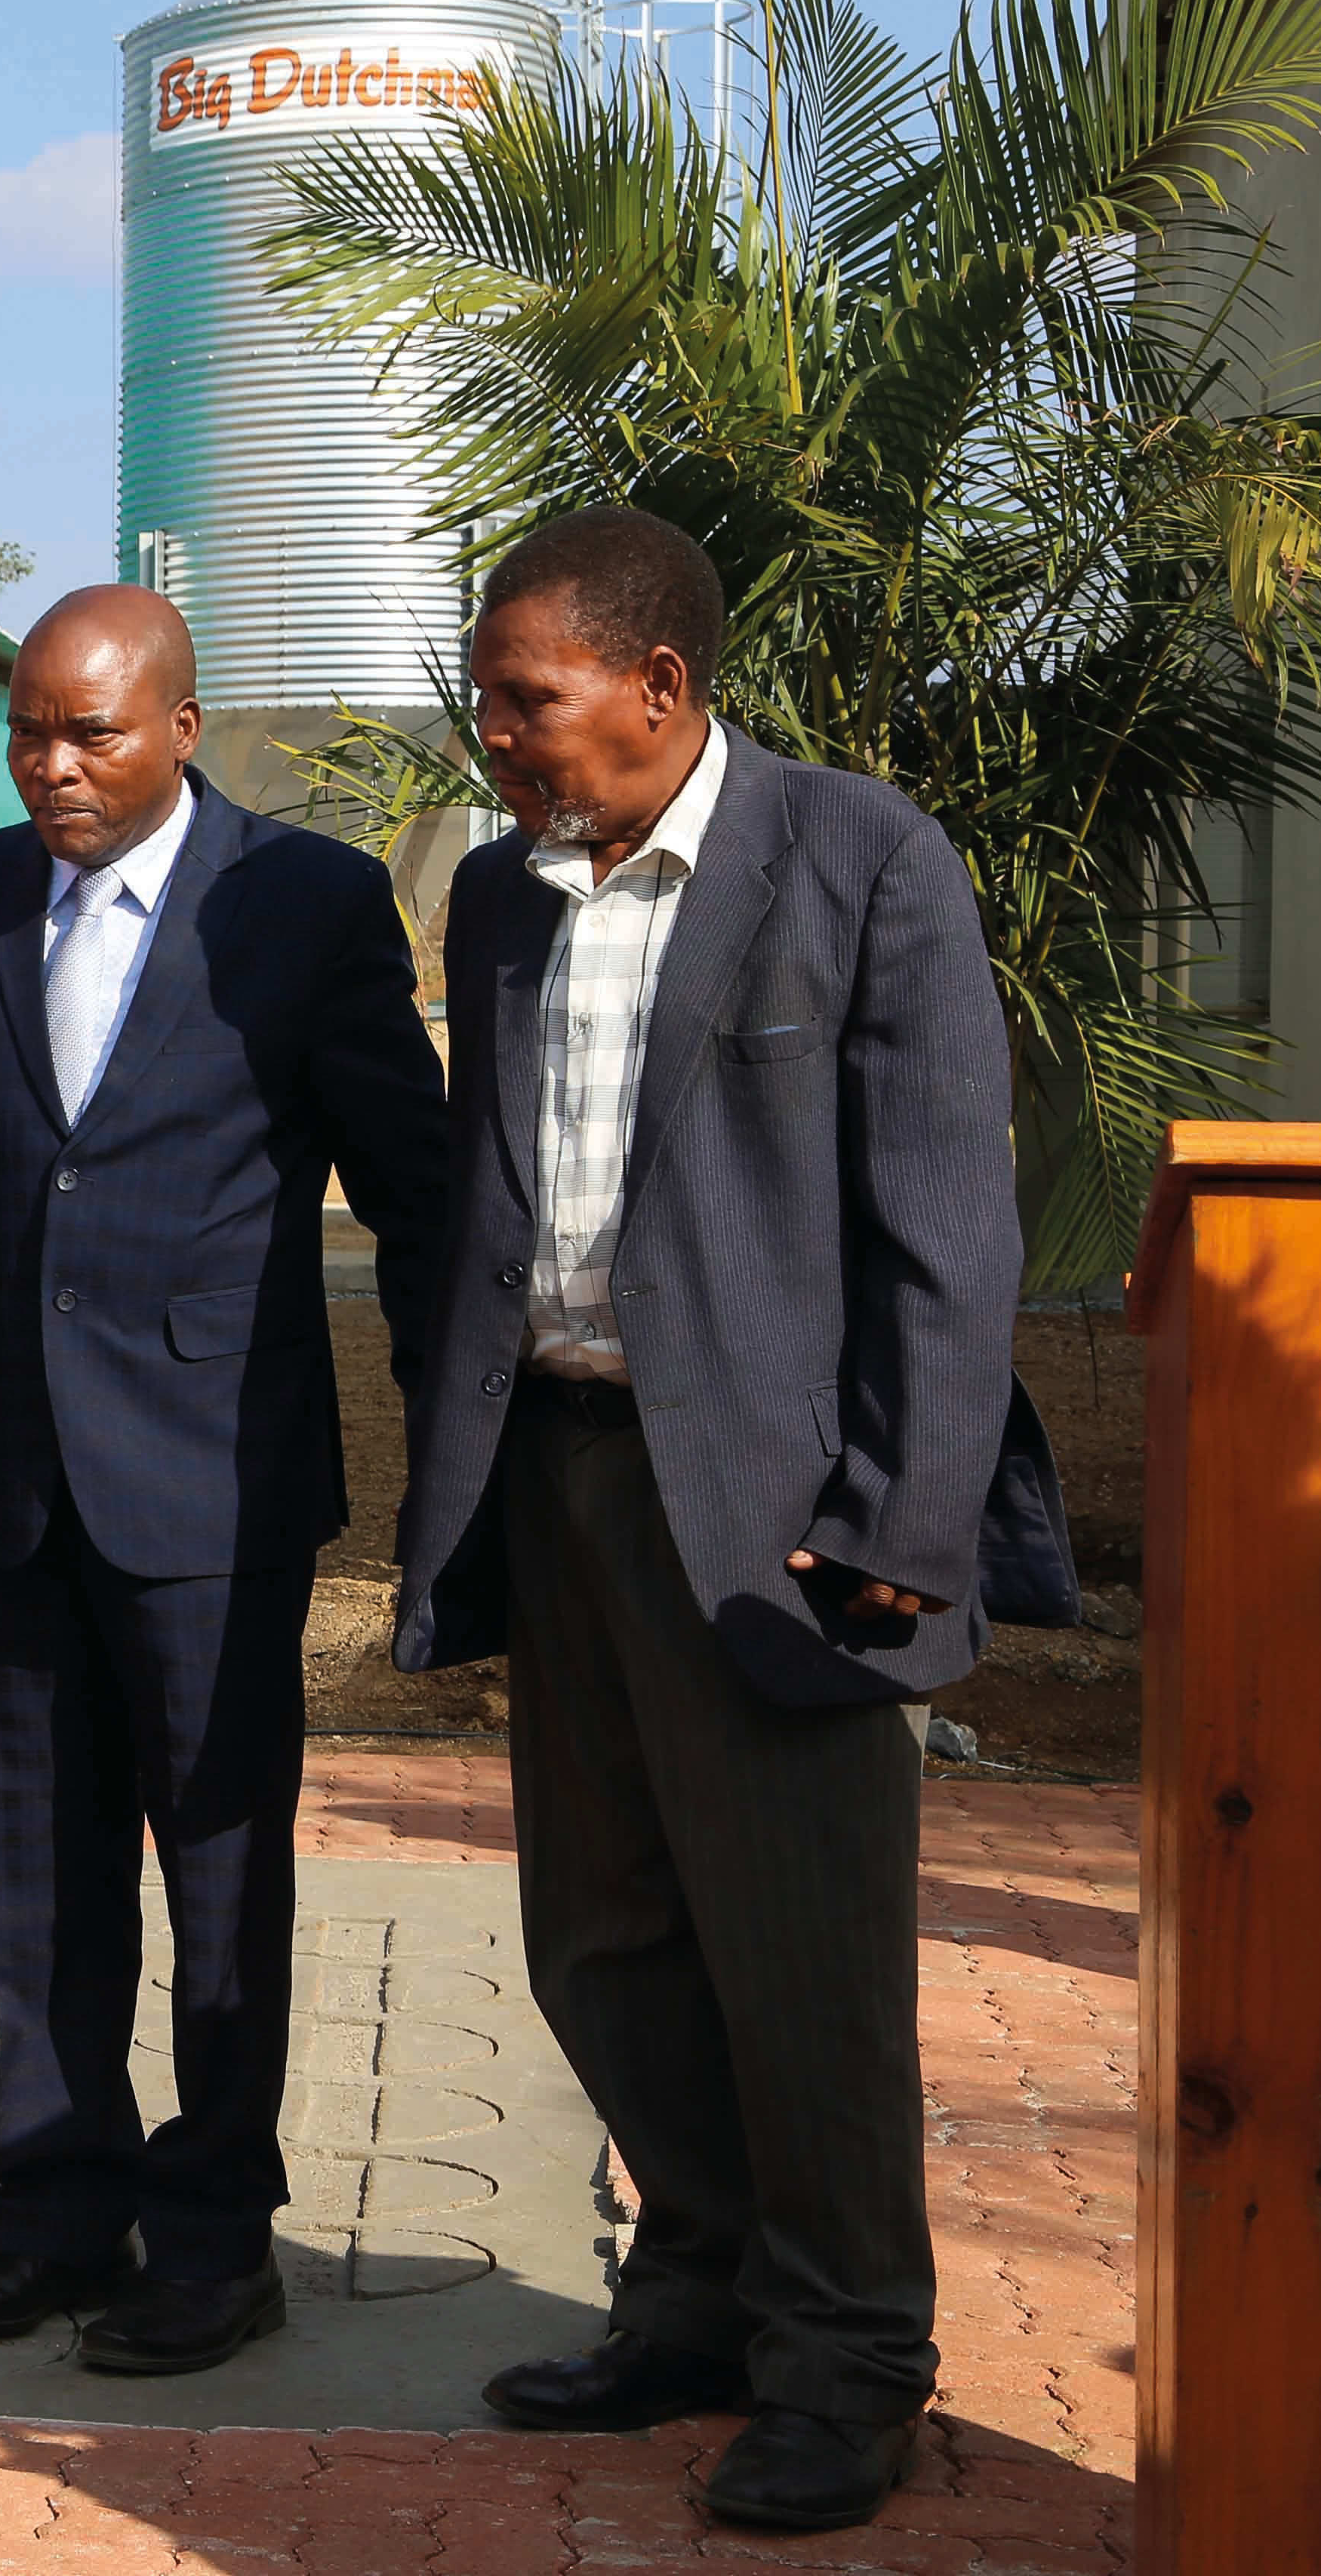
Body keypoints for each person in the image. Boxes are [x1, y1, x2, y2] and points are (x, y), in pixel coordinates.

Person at [390, 506, 1015, 2534]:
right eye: (485, 707)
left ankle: (847, 2363)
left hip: (782, 1516)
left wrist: (904, 1511)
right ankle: (697, 2296)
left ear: (660, 686)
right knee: (597, 1939)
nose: (493, 742)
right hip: (568, 1480)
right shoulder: (501, 900)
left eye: (527, 704)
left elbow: (943, 1224)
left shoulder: (853, 861)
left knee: (801, 1962)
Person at [0, 586, 452, 2372]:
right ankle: (53, 2214)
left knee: (220, 1880)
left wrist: (464, 1413)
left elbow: (411, 1179)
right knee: (41, 1875)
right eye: (28, 734)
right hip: (17, 1475)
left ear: (184, 729)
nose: (52, 768)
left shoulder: (301, 903)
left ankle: (217, 2239)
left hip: (215, 1481)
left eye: (93, 735)